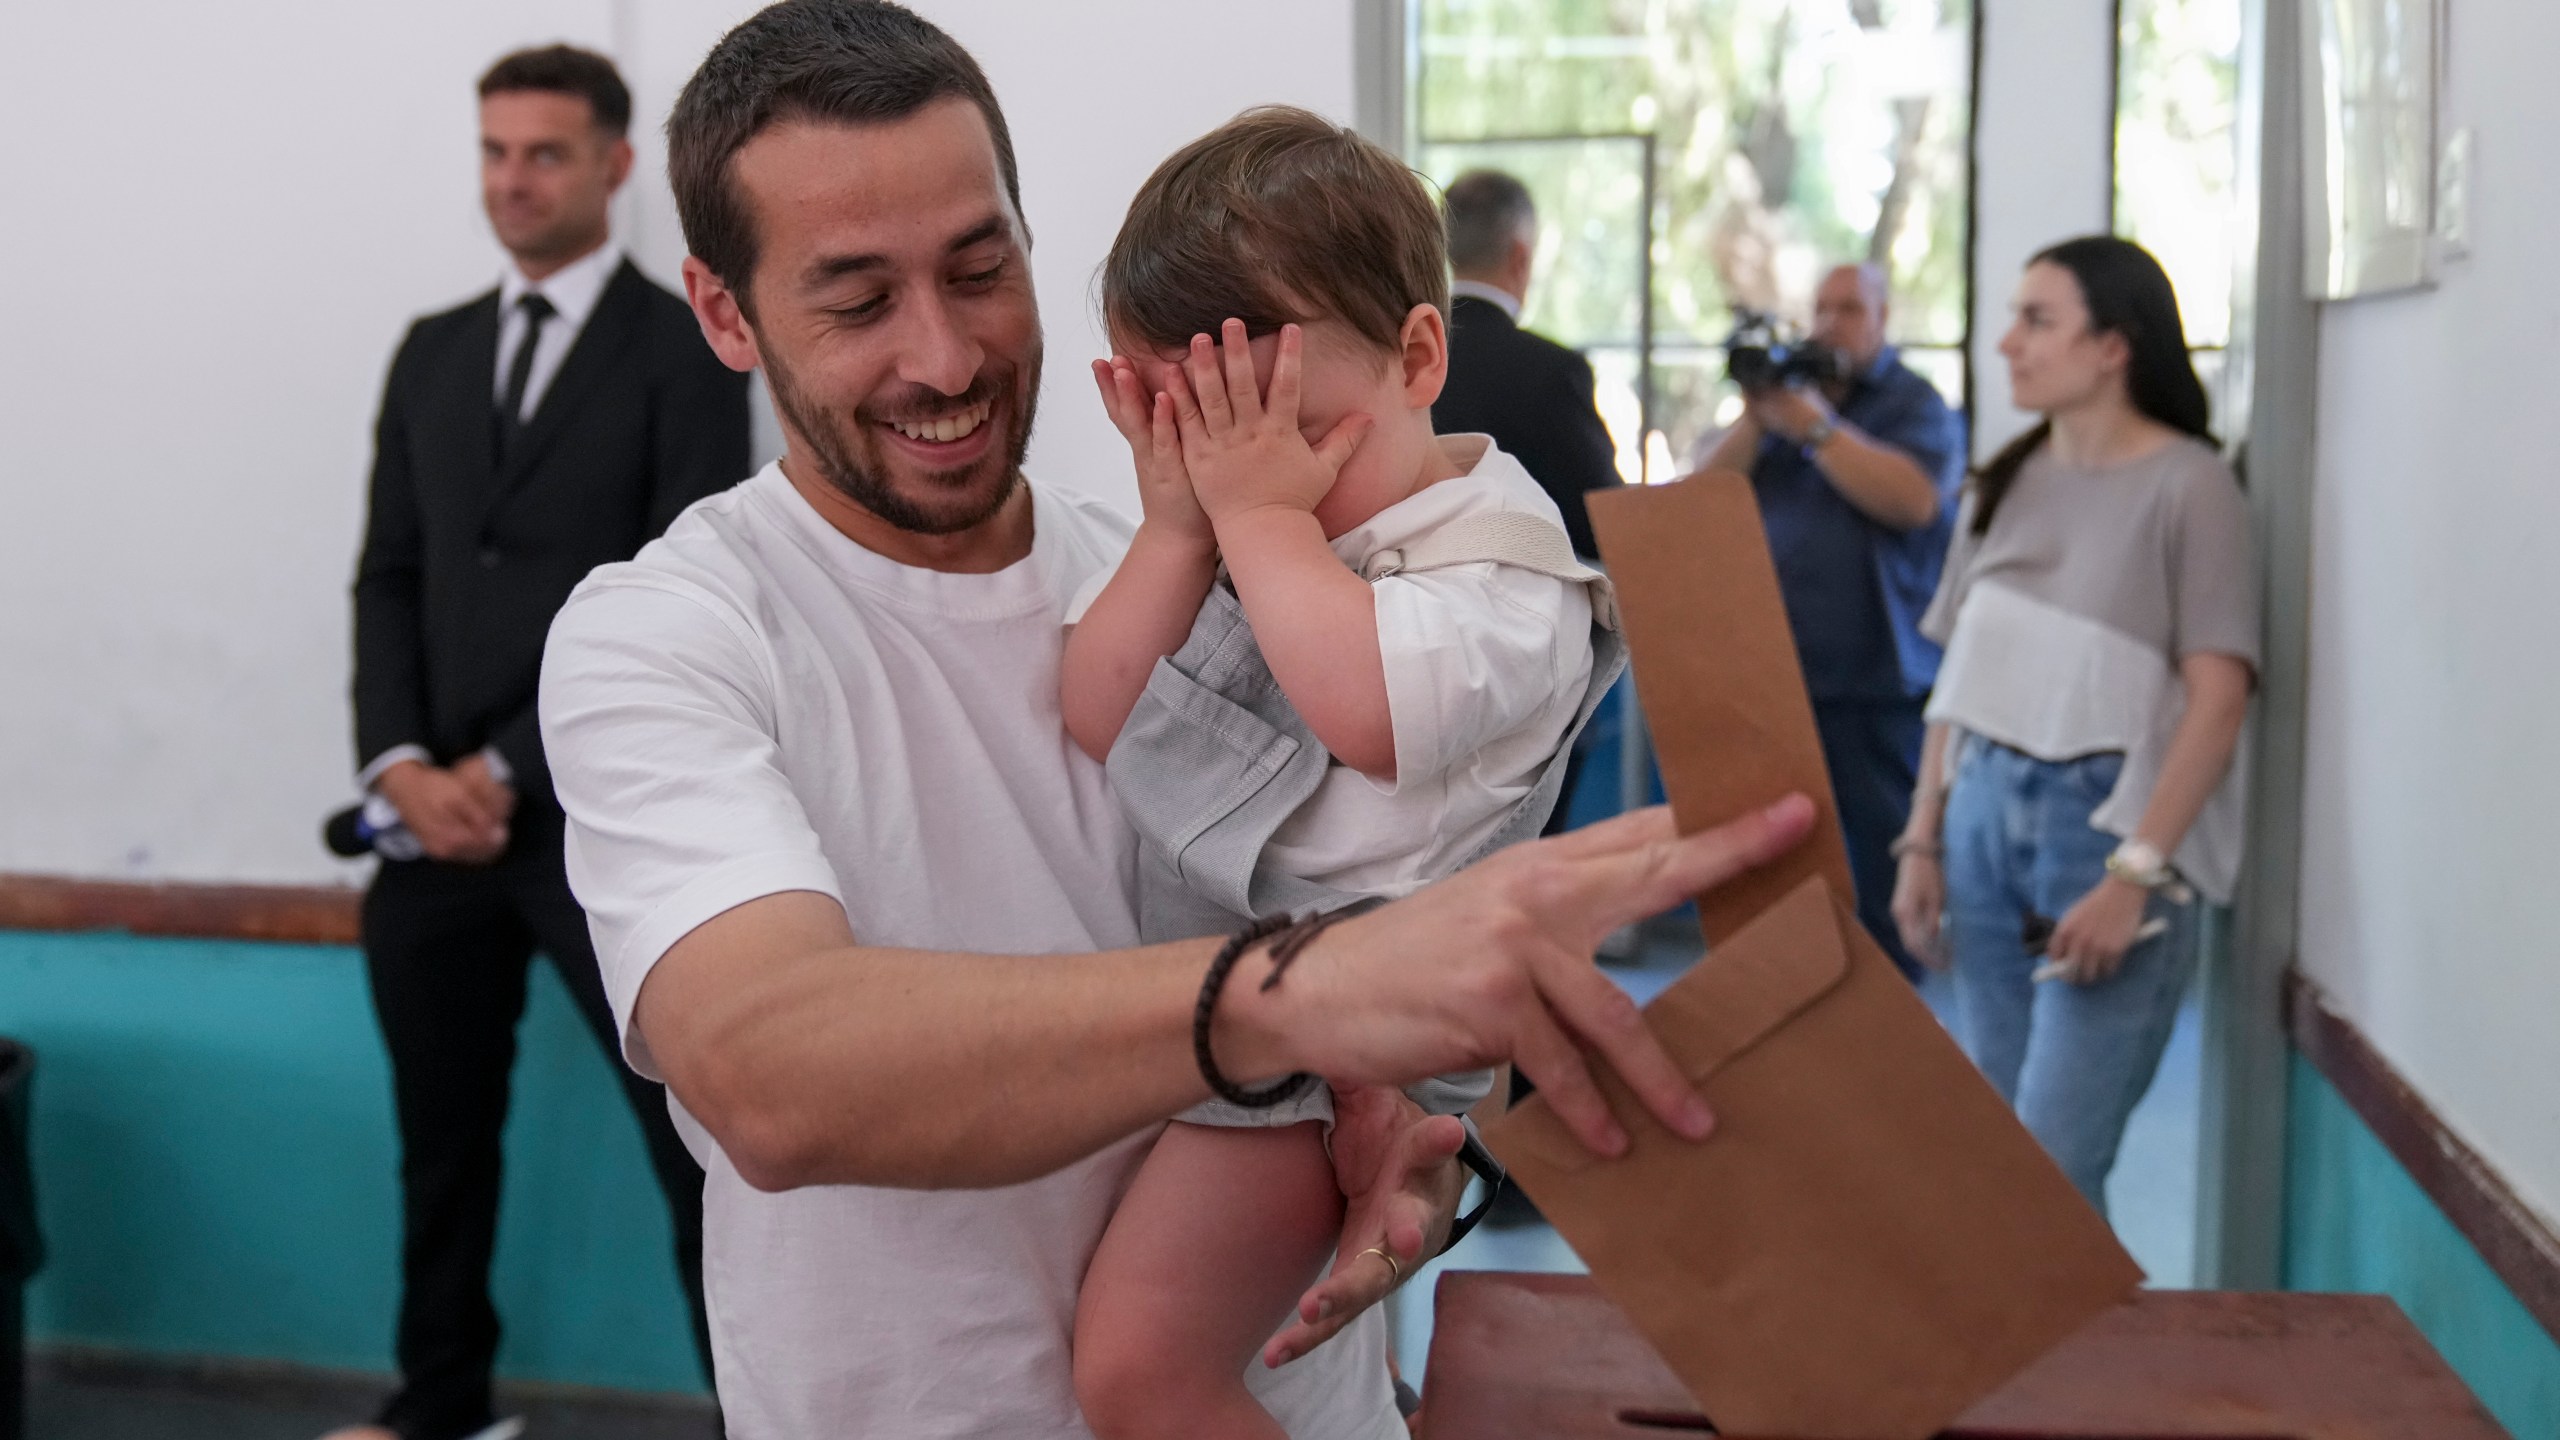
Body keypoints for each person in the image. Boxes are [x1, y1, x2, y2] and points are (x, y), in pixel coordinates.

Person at [535, 4, 1813, 1436]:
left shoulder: (1222, 560)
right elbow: (770, 1068)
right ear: (726, 312)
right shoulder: (668, 632)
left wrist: (1435, 1142)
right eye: (856, 301)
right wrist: (1309, 998)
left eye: (981, 269)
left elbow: (1409, 895)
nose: (946, 359)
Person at [1059, 110, 1615, 1440]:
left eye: (1296, 435)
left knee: (1138, 1371)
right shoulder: (1242, 531)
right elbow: (1093, 708)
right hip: (1220, 1013)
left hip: (1328, 1061)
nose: (1275, 487)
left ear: (1422, 355)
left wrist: (1250, 517)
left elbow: (1365, 708)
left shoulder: (1499, 569)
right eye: (1209, 437)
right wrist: (1179, 530)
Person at [334, 44, 748, 1440]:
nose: (514, 181)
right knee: (438, 1150)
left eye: (546, 154)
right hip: (430, 829)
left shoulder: (686, 350)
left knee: (694, 1150)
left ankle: (756, 1412)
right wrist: (397, 764)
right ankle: (438, 1404)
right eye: (496, 154)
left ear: (618, 166)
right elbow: (389, 574)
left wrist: (507, 768)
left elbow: (677, 587)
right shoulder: (433, 350)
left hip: (598, 826)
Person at [1889, 236, 2255, 1213]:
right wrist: (1922, 838)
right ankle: (2015, 1369)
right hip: (1980, 819)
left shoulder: (2192, 486)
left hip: (2098, 836)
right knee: (2004, 1159)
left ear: (2113, 348)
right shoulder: (2003, 480)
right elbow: (1956, 683)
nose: (2006, 342)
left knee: (2050, 1175)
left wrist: (2133, 875)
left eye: (2036, 320)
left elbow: (2219, 701)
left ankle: (2068, 1368)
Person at [1694, 263, 1966, 980]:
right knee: (1778, 878)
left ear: (1883, 318)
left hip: (1879, 685)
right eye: (1819, 308)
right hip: (1779, 675)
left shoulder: (1914, 404)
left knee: (1881, 881)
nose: (1828, 323)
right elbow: (1694, 501)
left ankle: (1891, 1036)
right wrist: (1761, 417)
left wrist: (1815, 426)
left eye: (1848, 308)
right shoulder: (1785, 401)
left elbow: (1913, 501)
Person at [1431, 169, 1623, 563]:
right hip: (1526, 606)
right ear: (1521, 258)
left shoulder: (1406, 356)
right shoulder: (1553, 371)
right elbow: (1604, 525)